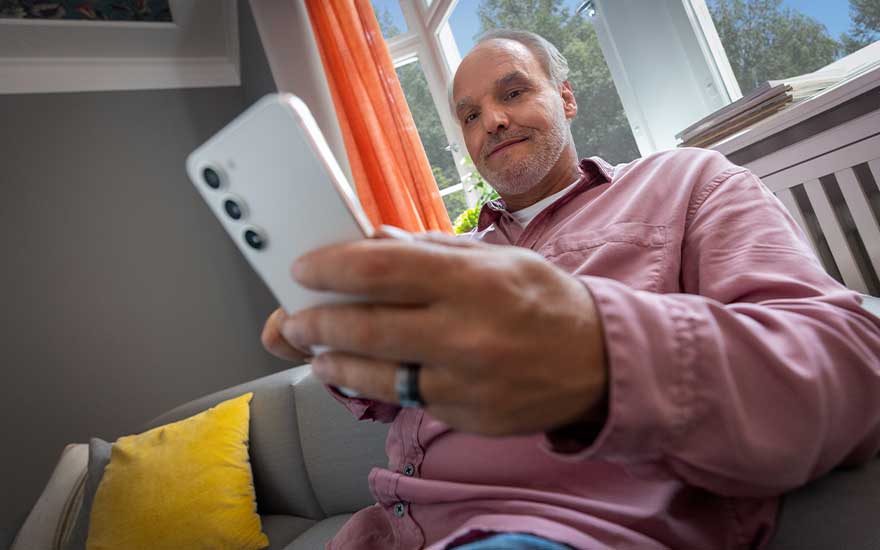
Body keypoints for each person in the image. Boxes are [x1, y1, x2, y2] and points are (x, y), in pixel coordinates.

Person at [261, 29, 880, 550]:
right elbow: (397, 393)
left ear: (566, 96)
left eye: (513, 93)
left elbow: (851, 369)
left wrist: (599, 356)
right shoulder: (455, 254)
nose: (492, 121)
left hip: (563, 532)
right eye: (470, 115)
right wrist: (339, 338)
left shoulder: (689, 181)